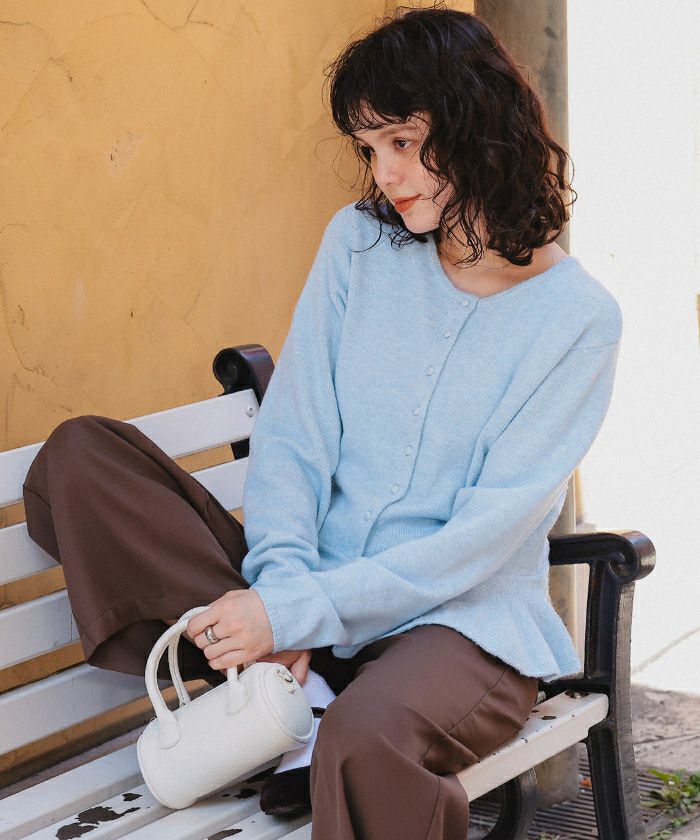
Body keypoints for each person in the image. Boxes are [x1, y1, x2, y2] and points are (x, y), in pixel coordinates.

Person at [22, 5, 623, 839]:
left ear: (480, 127)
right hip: (300, 601)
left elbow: (477, 542)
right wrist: (281, 596)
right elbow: (295, 439)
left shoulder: (578, 320)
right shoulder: (358, 246)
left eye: (404, 141)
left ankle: (317, 715)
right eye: (370, 148)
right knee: (81, 456)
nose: (386, 174)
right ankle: (298, 692)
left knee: (366, 741)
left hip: (459, 628)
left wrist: (293, 613)